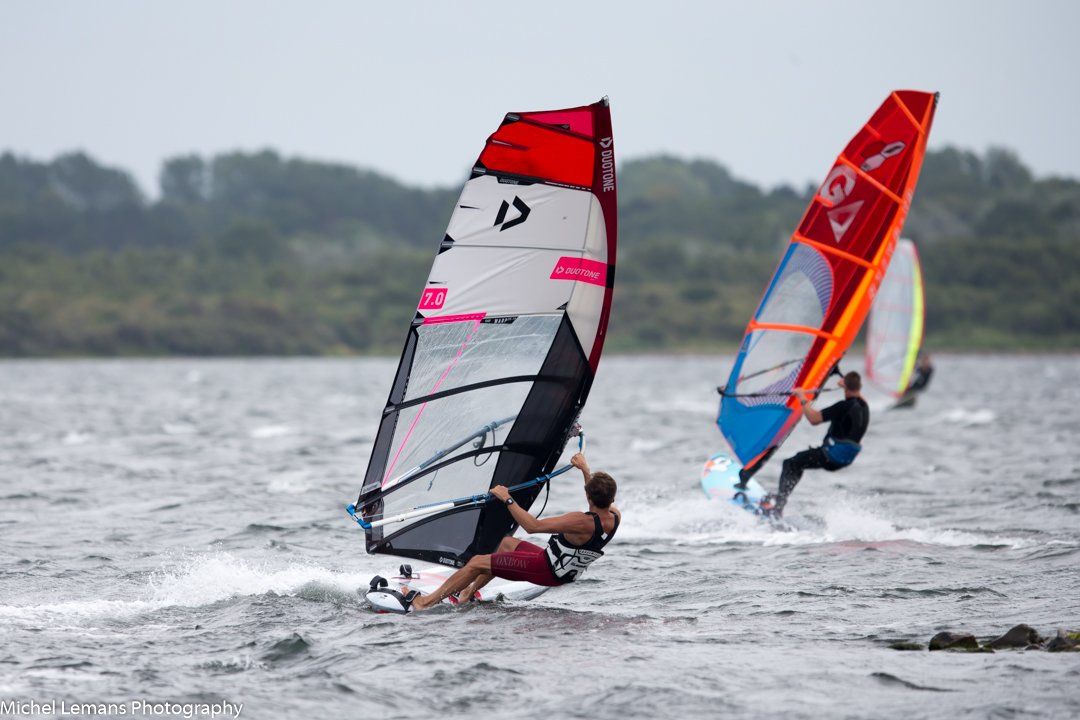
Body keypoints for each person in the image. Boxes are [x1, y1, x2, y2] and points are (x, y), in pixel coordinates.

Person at [405, 452, 619, 612]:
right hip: (561, 568)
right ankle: (467, 593)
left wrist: (507, 498)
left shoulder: (580, 522)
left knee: (477, 562)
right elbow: (596, 500)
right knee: (507, 544)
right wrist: (585, 470)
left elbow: (533, 526)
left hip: (546, 570)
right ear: (611, 498)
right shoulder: (614, 516)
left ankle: (425, 603)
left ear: (588, 497)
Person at [767, 370, 870, 517]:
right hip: (845, 458)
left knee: (790, 464)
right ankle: (781, 499)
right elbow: (855, 391)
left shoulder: (843, 406)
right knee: (798, 461)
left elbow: (814, 419)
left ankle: (778, 507)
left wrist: (802, 397)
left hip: (831, 456)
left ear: (845, 386)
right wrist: (847, 384)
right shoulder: (864, 406)